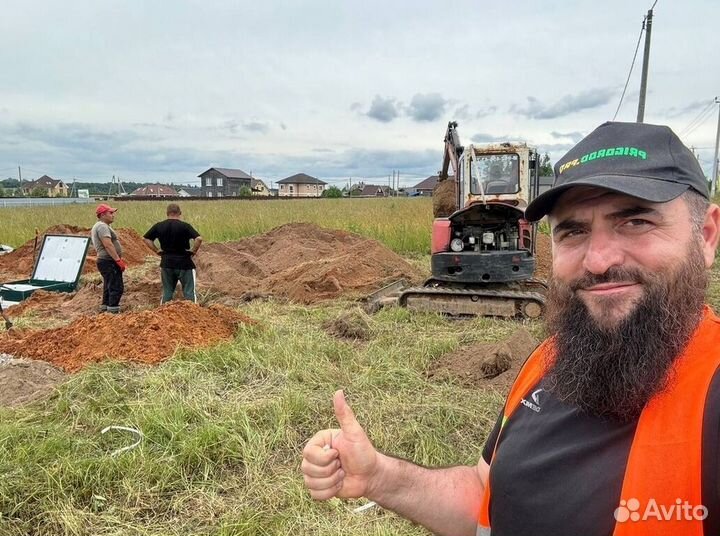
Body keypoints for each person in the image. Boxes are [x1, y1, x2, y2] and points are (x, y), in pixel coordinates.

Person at [301, 122, 720, 536]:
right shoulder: (548, 362)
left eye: (635, 222)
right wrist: (380, 476)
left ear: (706, 235)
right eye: (573, 231)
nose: (598, 260)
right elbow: (484, 493)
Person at [143, 203, 202, 303]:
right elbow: (199, 239)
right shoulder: (185, 226)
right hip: (184, 263)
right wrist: (193, 251)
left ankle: (162, 314)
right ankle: (192, 314)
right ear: (180, 213)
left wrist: (157, 250)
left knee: (167, 292)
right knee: (189, 292)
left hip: (166, 262)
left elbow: (146, 238)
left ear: (167, 213)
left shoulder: (159, 226)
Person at [91, 203, 126, 314]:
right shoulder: (102, 227)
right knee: (116, 287)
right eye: (110, 213)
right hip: (108, 261)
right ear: (102, 215)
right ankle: (112, 313)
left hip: (106, 261)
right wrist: (117, 260)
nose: (113, 215)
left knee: (108, 286)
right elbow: (108, 244)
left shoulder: (102, 226)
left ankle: (105, 310)